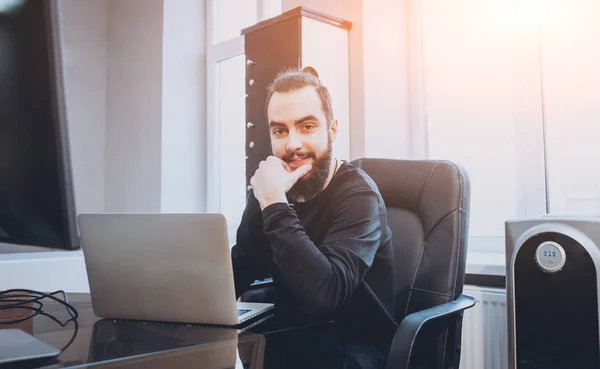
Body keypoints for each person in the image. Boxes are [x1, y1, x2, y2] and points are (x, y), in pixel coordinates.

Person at [231, 66, 396, 369]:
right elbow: (239, 268)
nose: (292, 143)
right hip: (290, 340)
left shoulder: (360, 196)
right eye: (280, 130)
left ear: (332, 129)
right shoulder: (270, 193)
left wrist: (273, 202)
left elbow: (324, 297)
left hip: (354, 348)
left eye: (306, 126)